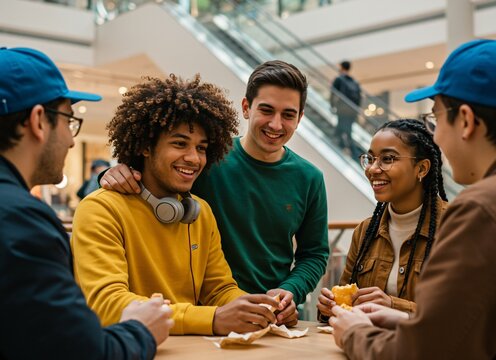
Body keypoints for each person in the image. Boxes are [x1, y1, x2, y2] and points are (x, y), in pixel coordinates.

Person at [329, 38, 496, 359]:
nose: (437, 135)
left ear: (467, 121)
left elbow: (424, 353)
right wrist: (405, 318)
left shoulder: (482, 209)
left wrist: (355, 333)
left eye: (436, 118)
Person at [99, 60, 329, 313]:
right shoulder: (204, 159)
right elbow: (155, 179)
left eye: (288, 114)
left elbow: (314, 254)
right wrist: (121, 171)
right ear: (246, 107)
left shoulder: (310, 178)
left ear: (300, 118)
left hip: (274, 312)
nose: (276, 124)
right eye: (266, 110)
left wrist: (291, 291)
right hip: (204, 311)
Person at [71, 74, 286, 336]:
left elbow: (219, 289)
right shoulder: (101, 210)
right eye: (179, 144)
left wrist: (261, 308)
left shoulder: (200, 212)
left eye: (202, 148)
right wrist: (213, 319)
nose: (194, 158)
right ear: (146, 146)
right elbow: (108, 304)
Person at [0, 47, 173, 359]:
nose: (70, 139)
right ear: (38, 120)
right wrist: (140, 328)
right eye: (68, 119)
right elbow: (83, 351)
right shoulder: (22, 222)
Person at [317, 119, 448, 319]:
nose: (372, 169)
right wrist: (330, 308)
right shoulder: (365, 231)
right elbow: (344, 304)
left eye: (387, 159)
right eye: (370, 159)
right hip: (370, 346)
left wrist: (393, 305)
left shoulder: (454, 226)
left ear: (421, 168)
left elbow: (461, 313)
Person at [330, 60, 361, 157]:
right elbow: (359, 98)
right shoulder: (354, 81)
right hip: (352, 110)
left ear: (342, 67)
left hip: (342, 108)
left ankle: (351, 150)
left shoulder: (339, 79)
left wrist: (332, 106)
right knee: (346, 128)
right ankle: (344, 146)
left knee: (343, 128)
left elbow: (333, 94)